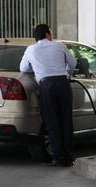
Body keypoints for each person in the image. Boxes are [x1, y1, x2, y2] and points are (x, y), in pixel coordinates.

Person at [20, 24, 77, 167]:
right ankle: (69, 157)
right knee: (66, 121)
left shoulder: (31, 49)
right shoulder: (60, 46)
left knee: (52, 122)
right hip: (63, 84)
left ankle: (58, 158)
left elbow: (23, 68)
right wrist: (66, 75)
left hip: (46, 86)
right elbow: (73, 63)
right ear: (47, 34)